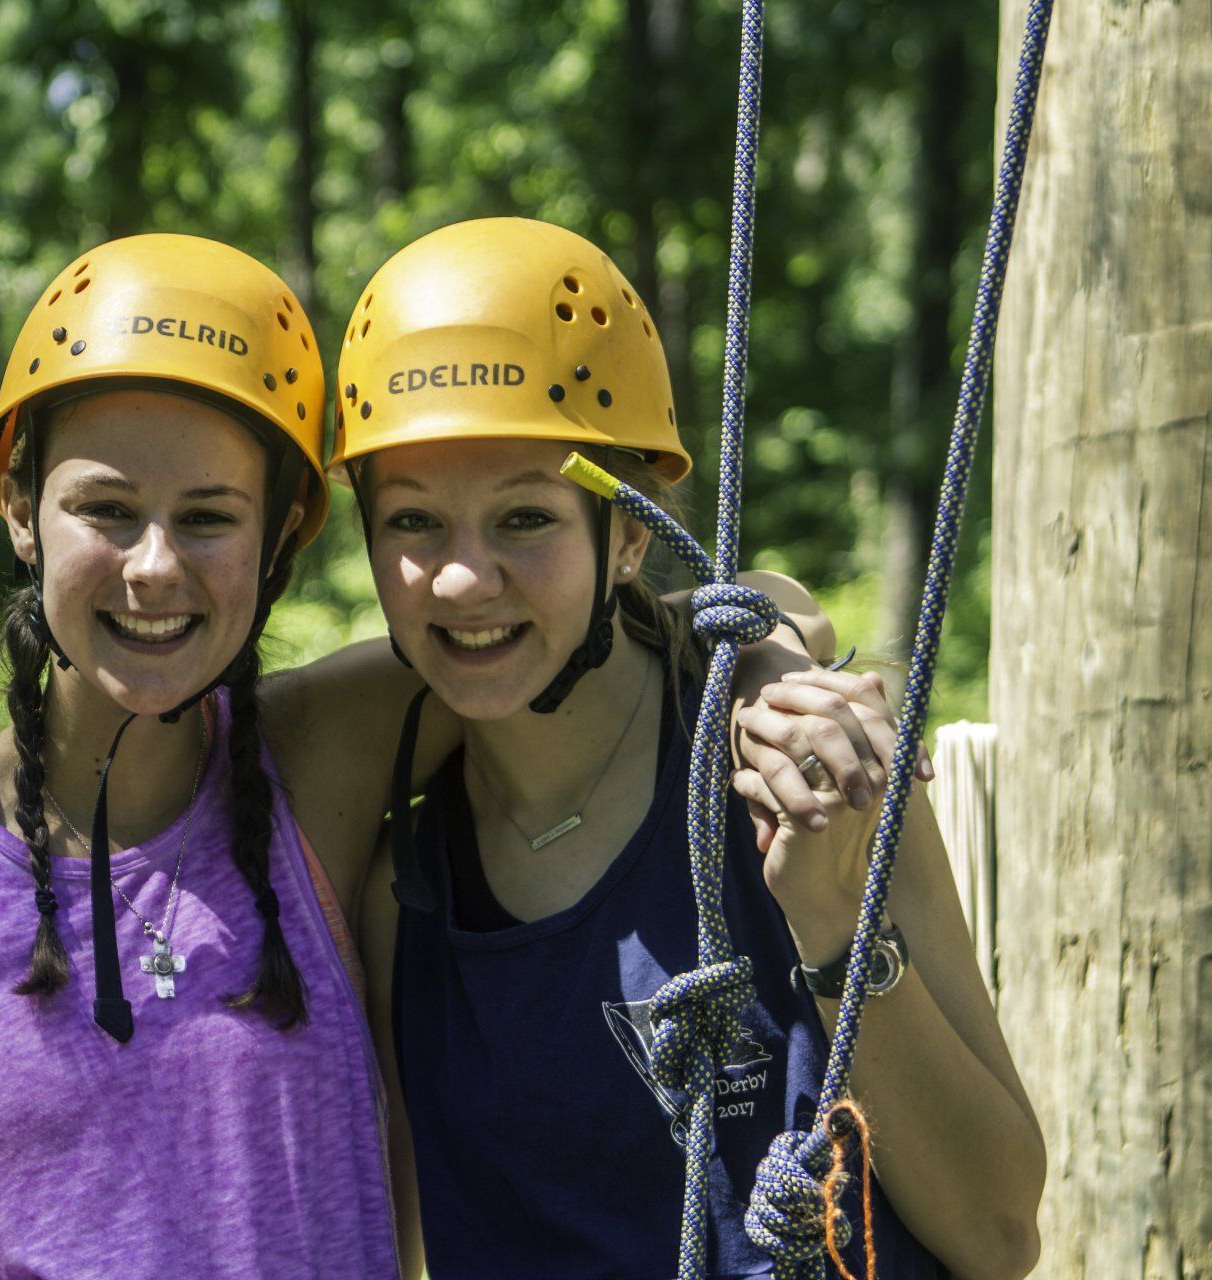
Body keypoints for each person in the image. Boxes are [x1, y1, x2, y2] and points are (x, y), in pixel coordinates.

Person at [0, 230, 848, 1280]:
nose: (153, 567)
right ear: (18, 507)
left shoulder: (313, 764)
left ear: (283, 535)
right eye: (106, 508)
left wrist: (777, 682)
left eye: (208, 517)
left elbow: (696, 610)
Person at [334, 218, 1046, 1279]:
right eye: (414, 523)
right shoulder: (408, 893)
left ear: (628, 535)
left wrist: (826, 911)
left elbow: (999, 1232)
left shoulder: (802, 767)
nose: (464, 578)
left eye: (525, 518)